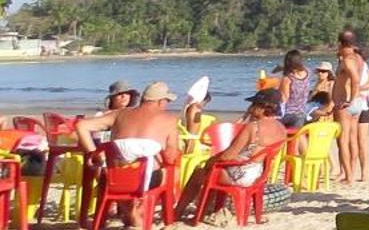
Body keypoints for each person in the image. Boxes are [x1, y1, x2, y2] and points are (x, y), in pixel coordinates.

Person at [73, 82, 182, 218]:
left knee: (118, 177)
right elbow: (171, 157)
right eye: (167, 101)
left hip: (114, 178)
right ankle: (138, 212)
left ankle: (130, 211)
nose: (167, 105)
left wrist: (94, 154)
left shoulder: (119, 114)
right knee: (174, 172)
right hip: (147, 179)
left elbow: (81, 125)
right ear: (160, 102)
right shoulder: (169, 119)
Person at [179, 91, 288, 220]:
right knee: (214, 170)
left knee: (200, 173)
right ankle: (205, 210)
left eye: (253, 104)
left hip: (240, 176)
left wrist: (211, 161)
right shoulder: (281, 128)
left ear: (262, 107)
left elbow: (228, 156)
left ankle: (179, 211)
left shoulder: (253, 127)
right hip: (259, 174)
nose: (250, 107)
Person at [331, 27, 369, 185]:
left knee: (344, 141)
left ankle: (349, 176)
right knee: (352, 140)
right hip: (357, 103)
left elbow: (355, 80)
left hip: (347, 103)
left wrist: (350, 99)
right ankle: (350, 172)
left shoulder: (348, 60)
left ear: (341, 43)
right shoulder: (358, 58)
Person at [274, 50, 313, 130]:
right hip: (302, 112)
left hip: (289, 114)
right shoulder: (308, 72)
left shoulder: (288, 78)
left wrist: (276, 89)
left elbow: (284, 99)